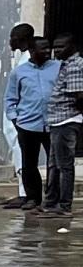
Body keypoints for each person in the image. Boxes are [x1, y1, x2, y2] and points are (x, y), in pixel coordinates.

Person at [6, 30, 59, 209]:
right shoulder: (19, 73)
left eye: (48, 49)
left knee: (56, 163)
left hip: (54, 123)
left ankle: (54, 198)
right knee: (29, 163)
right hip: (28, 124)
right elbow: (10, 99)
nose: (47, 52)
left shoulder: (58, 67)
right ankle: (32, 198)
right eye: (42, 49)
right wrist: (15, 119)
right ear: (32, 50)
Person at [49, 35, 83, 215]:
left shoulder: (75, 67)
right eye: (55, 47)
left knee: (64, 166)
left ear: (72, 46)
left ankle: (63, 205)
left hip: (66, 120)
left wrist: (76, 114)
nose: (57, 51)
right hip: (58, 120)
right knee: (55, 165)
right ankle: (52, 203)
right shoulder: (66, 65)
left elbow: (79, 96)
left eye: (61, 47)